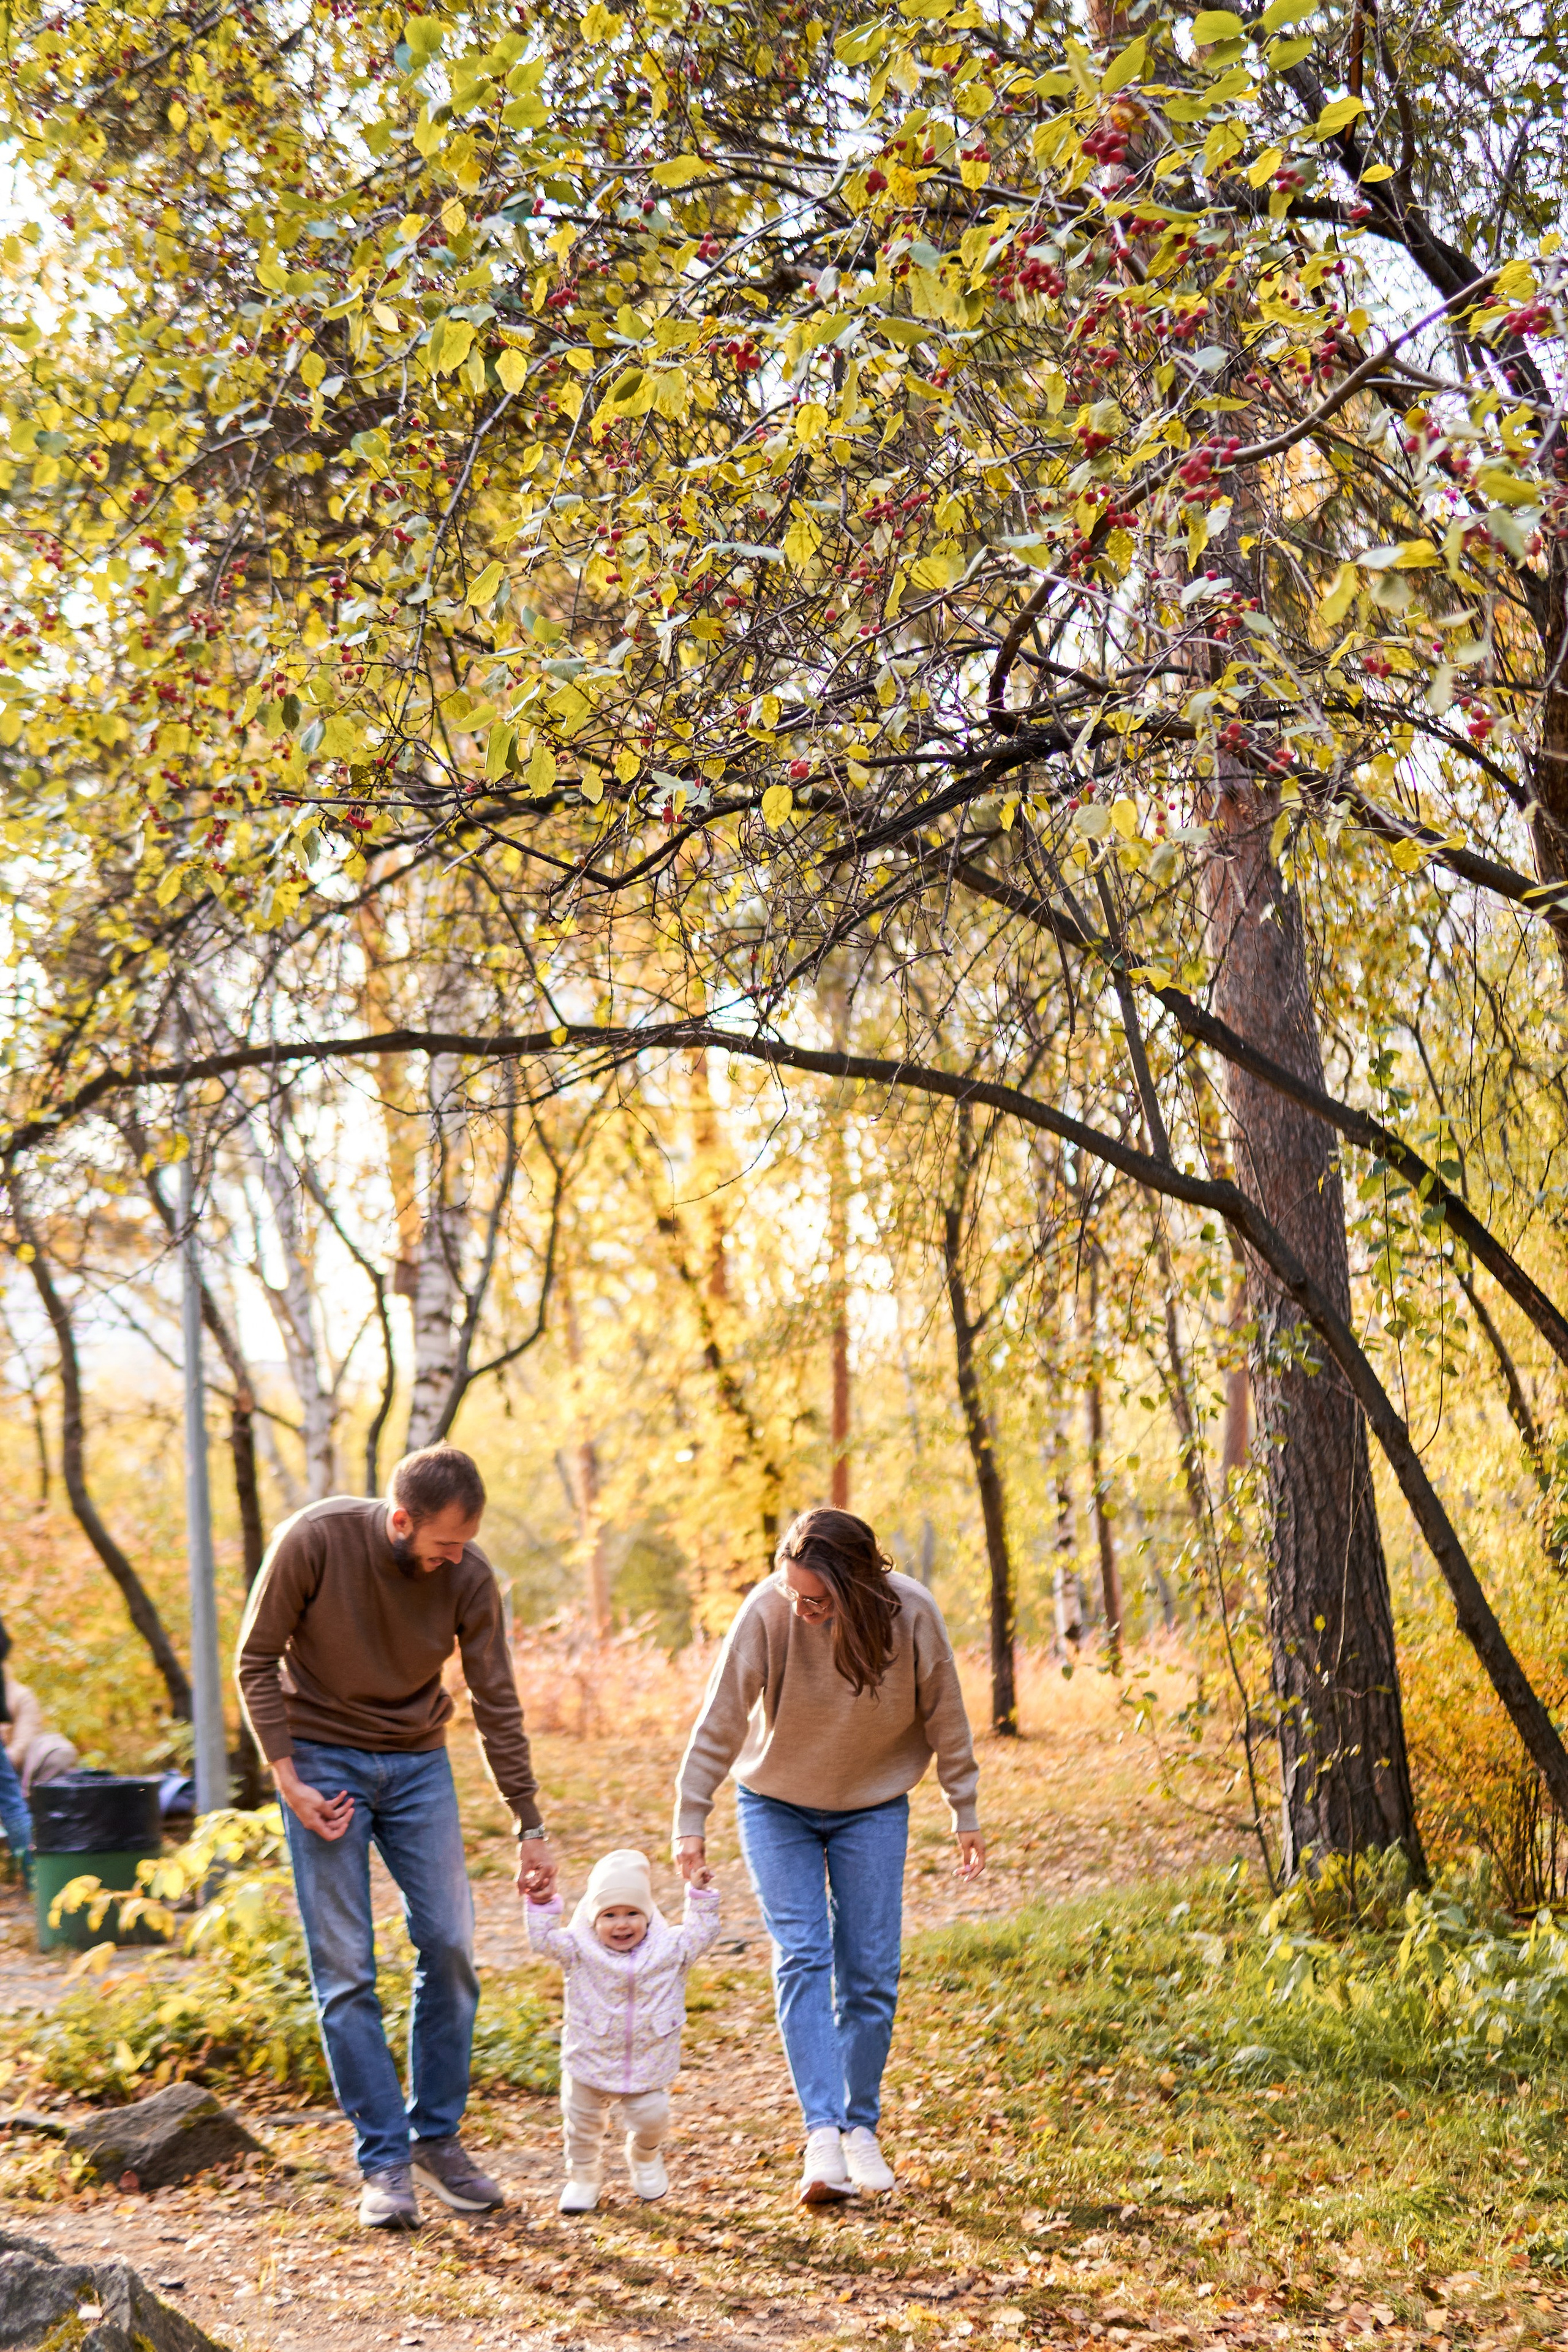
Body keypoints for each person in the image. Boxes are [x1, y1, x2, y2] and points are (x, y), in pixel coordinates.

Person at [236, 1443, 556, 2230]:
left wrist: (529, 1821)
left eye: (465, 1542)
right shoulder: (315, 1540)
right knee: (345, 1967)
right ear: (401, 1518)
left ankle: (436, 2140)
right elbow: (254, 1661)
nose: (455, 1557)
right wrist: (289, 1780)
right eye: (444, 1542)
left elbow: (496, 1700)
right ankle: (383, 2159)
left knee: (449, 1944)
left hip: (416, 1764)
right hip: (320, 1760)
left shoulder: (468, 1577)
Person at [673, 1506, 984, 2206]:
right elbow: (720, 1718)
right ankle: (822, 2132)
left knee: (869, 1969)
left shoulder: (911, 1614)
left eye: (814, 1599)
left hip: (872, 1806)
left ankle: (860, 2128)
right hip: (775, 1803)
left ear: (856, 1586)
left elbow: (946, 1711)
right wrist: (690, 1817)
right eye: (792, 1594)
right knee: (803, 1954)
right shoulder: (768, 1610)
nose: (799, 1608)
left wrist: (963, 1807)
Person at [526, 1845, 722, 2214]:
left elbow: (703, 1932)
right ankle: (583, 2177)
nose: (622, 1924)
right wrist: (542, 1903)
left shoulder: (670, 1949)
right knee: (581, 2128)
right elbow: (542, 1940)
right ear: (592, 1918)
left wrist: (699, 1894)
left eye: (633, 1913)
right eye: (610, 1915)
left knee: (653, 2116)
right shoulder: (577, 1949)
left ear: (647, 1915)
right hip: (589, 2058)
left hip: (649, 2062)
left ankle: (645, 2155)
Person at [0, 1618, 32, 1890]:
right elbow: (4, 1645)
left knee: (12, 1805)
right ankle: (34, 1876)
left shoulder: (23, 1698)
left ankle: (33, 1873)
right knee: (12, 1805)